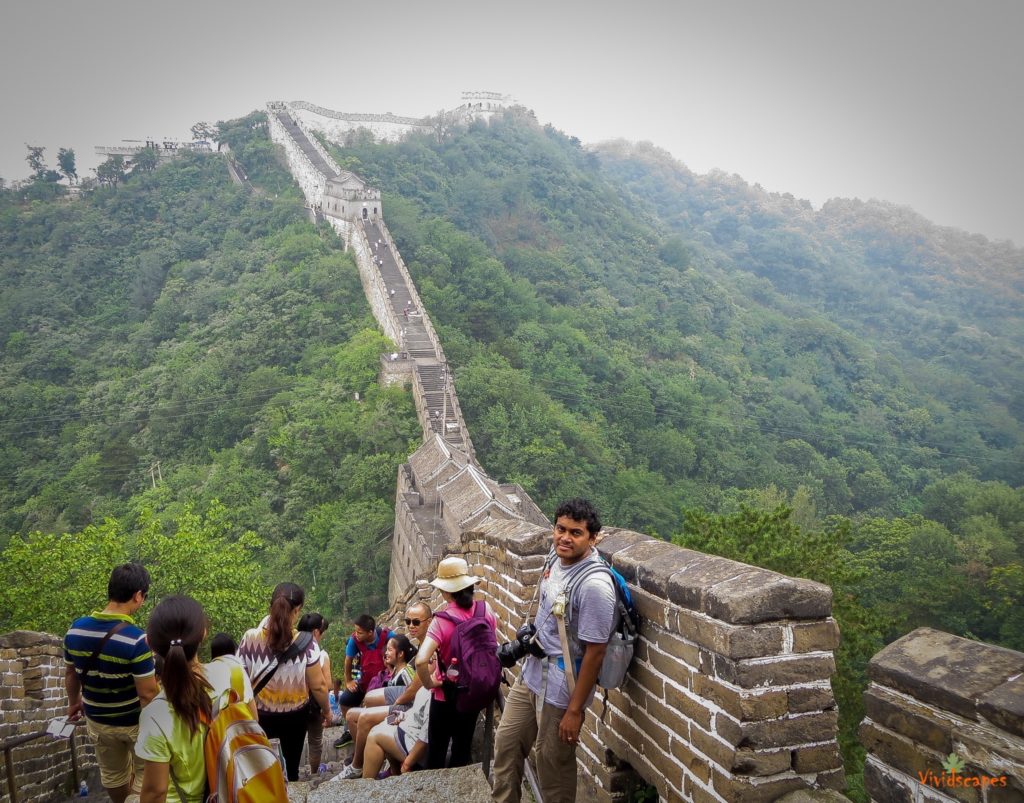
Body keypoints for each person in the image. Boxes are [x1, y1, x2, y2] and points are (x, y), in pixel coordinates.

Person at [491, 499, 617, 803]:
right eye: (560, 529)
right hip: (532, 672)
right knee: (506, 745)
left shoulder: (595, 587)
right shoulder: (555, 557)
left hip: (563, 687)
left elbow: (595, 653)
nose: (565, 537)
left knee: (552, 764)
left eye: (576, 533)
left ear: (593, 538)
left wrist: (575, 711)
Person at [135, 596, 257, 803]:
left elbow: (156, 792)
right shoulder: (233, 673)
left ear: (150, 644)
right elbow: (251, 726)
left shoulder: (155, 715)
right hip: (238, 791)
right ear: (203, 633)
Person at [64, 563, 158, 803]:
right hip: (134, 722)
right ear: (138, 596)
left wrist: (73, 702)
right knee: (144, 775)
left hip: (98, 720)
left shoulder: (75, 630)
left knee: (113, 775)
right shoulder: (137, 640)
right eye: (144, 597)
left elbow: (71, 674)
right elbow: (147, 694)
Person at [237, 582, 330, 782]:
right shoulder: (306, 643)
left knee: (263, 766)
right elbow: (319, 686)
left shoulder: (250, 638)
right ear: (297, 611)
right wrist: (328, 711)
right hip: (295, 716)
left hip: (261, 715)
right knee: (292, 765)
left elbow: (240, 678)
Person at [415, 556, 498, 769]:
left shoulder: (441, 621)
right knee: (462, 751)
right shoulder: (484, 610)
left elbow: (421, 660)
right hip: (473, 693)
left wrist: (430, 684)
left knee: (437, 753)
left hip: (446, 696)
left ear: (445, 591)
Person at [335, 633, 417, 780]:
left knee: (366, 718)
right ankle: (363, 761)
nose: (386, 653)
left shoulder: (406, 673)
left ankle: (360, 766)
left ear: (400, 654)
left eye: (390, 650)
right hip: (396, 713)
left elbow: (412, 702)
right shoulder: (397, 672)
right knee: (352, 716)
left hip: (404, 717)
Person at [333, 614, 390, 748]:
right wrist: (348, 681)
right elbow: (348, 660)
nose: (356, 634)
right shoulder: (354, 641)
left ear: (370, 632)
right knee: (345, 700)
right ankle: (350, 731)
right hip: (364, 682)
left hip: (383, 683)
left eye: (360, 632)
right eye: (355, 631)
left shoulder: (386, 636)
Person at [297, 612, 332, 774]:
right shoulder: (320, 654)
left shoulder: (291, 650)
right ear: (316, 632)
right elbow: (326, 685)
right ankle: (314, 772)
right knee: (315, 741)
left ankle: (291, 773)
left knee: (293, 741)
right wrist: (327, 711)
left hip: (293, 704)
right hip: (314, 706)